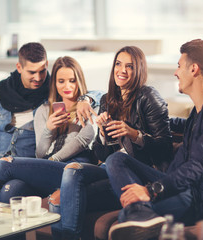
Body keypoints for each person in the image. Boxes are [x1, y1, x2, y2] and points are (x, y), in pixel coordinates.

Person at [107, 39, 203, 240]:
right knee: (116, 160)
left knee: (126, 217)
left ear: (193, 69)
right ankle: (141, 213)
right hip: (190, 186)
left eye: (179, 66)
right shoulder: (201, 110)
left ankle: (139, 214)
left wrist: (151, 190)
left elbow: (200, 167)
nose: (176, 72)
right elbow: (173, 123)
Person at [0, 42, 99, 197]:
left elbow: (87, 91)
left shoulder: (51, 94)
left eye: (42, 71)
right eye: (31, 72)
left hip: (17, 162)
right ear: (19, 67)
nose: (38, 78)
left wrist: (86, 99)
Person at [49, 46, 173, 240]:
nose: (122, 70)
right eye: (118, 64)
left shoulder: (149, 97)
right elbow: (102, 155)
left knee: (111, 163)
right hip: (111, 170)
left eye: (129, 66)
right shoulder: (109, 100)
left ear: (138, 69)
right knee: (71, 173)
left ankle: (141, 213)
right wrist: (102, 134)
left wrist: (135, 135)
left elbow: (164, 148)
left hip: (141, 174)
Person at [0, 56, 98, 202]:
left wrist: (52, 159)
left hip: (71, 166)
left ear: (79, 81)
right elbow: (40, 153)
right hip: (47, 167)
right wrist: (49, 129)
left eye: (72, 80)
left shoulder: (90, 106)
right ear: (54, 83)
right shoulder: (44, 110)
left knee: (5, 164)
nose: (67, 86)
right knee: (10, 191)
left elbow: (83, 140)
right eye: (61, 81)